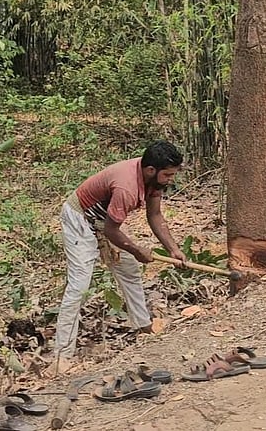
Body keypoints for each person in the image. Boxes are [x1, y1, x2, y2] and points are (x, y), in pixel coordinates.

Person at [53, 141, 186, 360]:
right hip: (80, 219)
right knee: (79, 286)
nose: (171, 180)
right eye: (168, 175)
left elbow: (155, 215)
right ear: (151, 170)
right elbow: (112, 230)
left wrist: (173, 249)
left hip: (103, 222)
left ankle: (144, 328)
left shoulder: (153, 181)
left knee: (129, 269)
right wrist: (136, 250)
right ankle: (62, 355)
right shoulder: (127, 187)